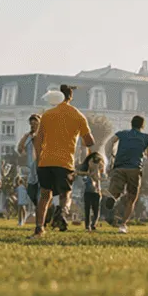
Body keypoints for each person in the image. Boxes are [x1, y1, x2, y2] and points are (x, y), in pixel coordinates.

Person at [32, 85, 94, 238]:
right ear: (70, 97)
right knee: (65, 194)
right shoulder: (78, 116)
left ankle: (39, 228)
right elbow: (90, 141)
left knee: (45, 196)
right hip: (65, 162)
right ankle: (62, 212)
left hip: (45, 161)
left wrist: (39, 158)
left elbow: (37, 141)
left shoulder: (47, 115)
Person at [105, 115, 148, 234]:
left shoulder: (122, 134)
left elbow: (110, 142)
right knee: (131, 198)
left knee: (116, 191)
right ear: (142, 126)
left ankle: (113, 197)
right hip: (134, 169)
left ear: (131, 123)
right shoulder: (147, 138)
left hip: (119, 167)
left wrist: (110, 158)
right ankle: (123, 225)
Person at [17, 114, 42, 212]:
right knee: (31, 191)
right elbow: (20, 148)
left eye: (35, 123)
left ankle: (40, 212)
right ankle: (37, 209)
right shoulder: (27, 136)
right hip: (30, 167)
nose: (33, 125)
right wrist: (22, 150)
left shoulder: (43, 135)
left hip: (41, 166)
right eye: (31, 123)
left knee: (41, 191)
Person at [78, 152, 105, 231]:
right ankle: (87, 226)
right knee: (87, 210)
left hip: (97, 192)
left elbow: (98, 177)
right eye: (92, 161)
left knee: (96, 210)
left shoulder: (98, 172)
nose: (94, 163)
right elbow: (78, 173)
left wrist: (96, 169)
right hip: (87, 192)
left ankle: (93, 224)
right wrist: (89, 173)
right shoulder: (86, 172)